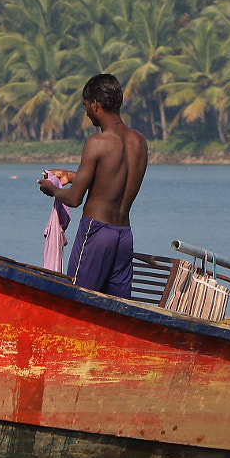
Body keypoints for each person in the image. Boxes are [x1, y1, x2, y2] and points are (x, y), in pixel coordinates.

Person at [38, 73, 149, 298]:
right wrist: (71, 175)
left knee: (77, 300)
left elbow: (74, 199)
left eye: (86, 106)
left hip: (96, 232)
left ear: (96, 105)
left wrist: (52, 188)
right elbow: (113, 178)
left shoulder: (97, 143)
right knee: (119, 308)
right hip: (123, 236)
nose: (87, 112)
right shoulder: (139, 142)